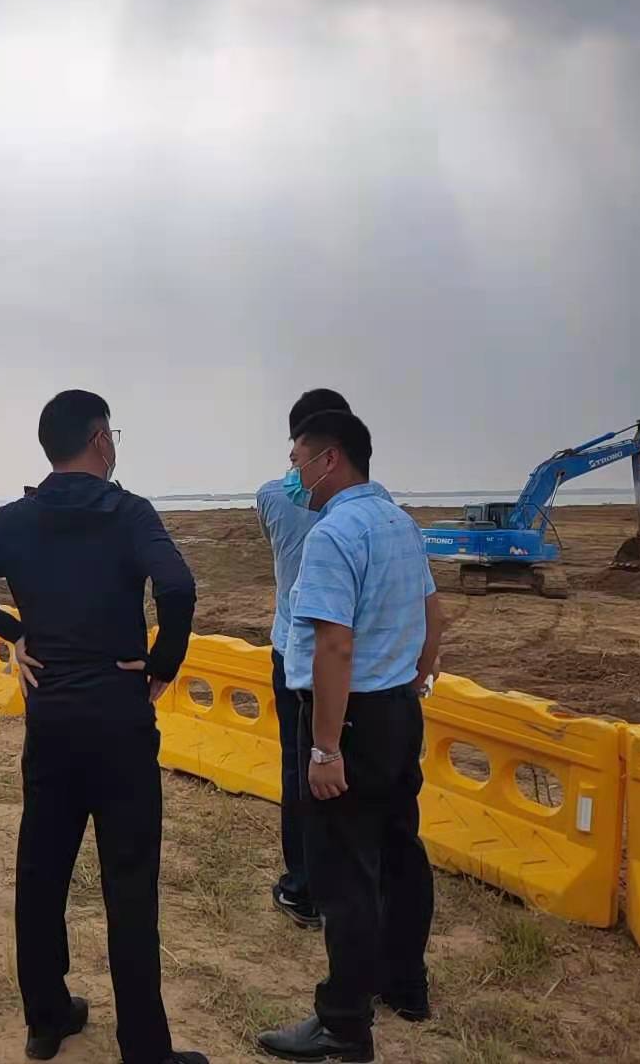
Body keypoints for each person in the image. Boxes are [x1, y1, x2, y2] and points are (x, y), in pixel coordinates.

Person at [0, 390, 208, 1064]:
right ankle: (145, 1048)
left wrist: (13, 631)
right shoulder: (130, 513)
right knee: (130, 883)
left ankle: (46, 1020)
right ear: (100, 439)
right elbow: (177, 588)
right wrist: (163, 663)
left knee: (42, 869)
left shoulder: (18, 519)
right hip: (119, 715)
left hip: (51, 716)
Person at [257, 410, 444, 1064]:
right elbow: (433, 615)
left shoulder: (334, 534)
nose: (294, 476)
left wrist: (325, 747)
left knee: (345, 874)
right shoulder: (399, 522)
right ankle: (407, 985)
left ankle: (343, 1023)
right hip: (397, 713)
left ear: (329, 458)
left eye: (298, 462)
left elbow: (333, 647)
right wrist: (414, 679)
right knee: (400, 852)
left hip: (351, 719)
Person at [254, 387, 352, 931]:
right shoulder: (364, 508)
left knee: (299, 770)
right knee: (347, 768)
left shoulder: (272, 497)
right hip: (351, 658)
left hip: (292, 652)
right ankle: (348, 885)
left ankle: (305, 887)